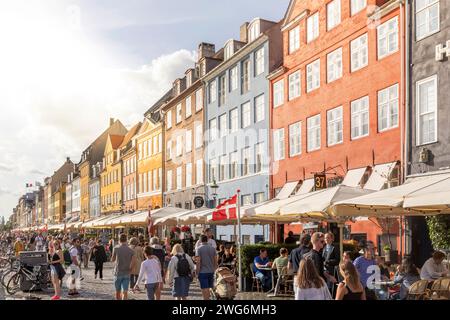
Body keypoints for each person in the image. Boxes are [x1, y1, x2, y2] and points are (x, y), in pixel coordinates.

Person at [111, 234, 136, 300]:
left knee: (117, 291)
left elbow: (112, 260)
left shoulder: (116, 248)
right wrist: (130, 269)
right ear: (126, 240)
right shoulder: (131, 250)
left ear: (119, 240)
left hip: (118, 272)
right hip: (127, 272)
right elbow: (133, 262)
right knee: (125, 292)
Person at [196, 235, 218, 300]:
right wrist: (215, 270)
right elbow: (215, 261)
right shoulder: (212, 249)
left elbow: (198, 262)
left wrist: (197, 272)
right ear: (207, 240)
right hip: (211, 271)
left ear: (200, 240)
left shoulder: (198, 249)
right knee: (209, 288)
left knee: (204, 289)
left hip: (202, 272)